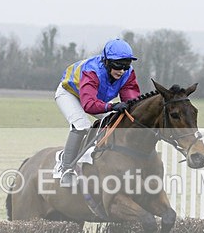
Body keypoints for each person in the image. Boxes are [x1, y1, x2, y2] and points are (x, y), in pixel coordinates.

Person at [54, 38, 141, 187]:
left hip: (95, 98)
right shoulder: (92, 71)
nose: (121, 70)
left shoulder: (128, 74)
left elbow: (131, 102)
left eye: (126, 66)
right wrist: (112, 106)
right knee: (82, 126)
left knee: (117, 120)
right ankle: (66, 168)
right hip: (70, 94)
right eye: (118, 65)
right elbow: (88, 104)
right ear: (106, 62)